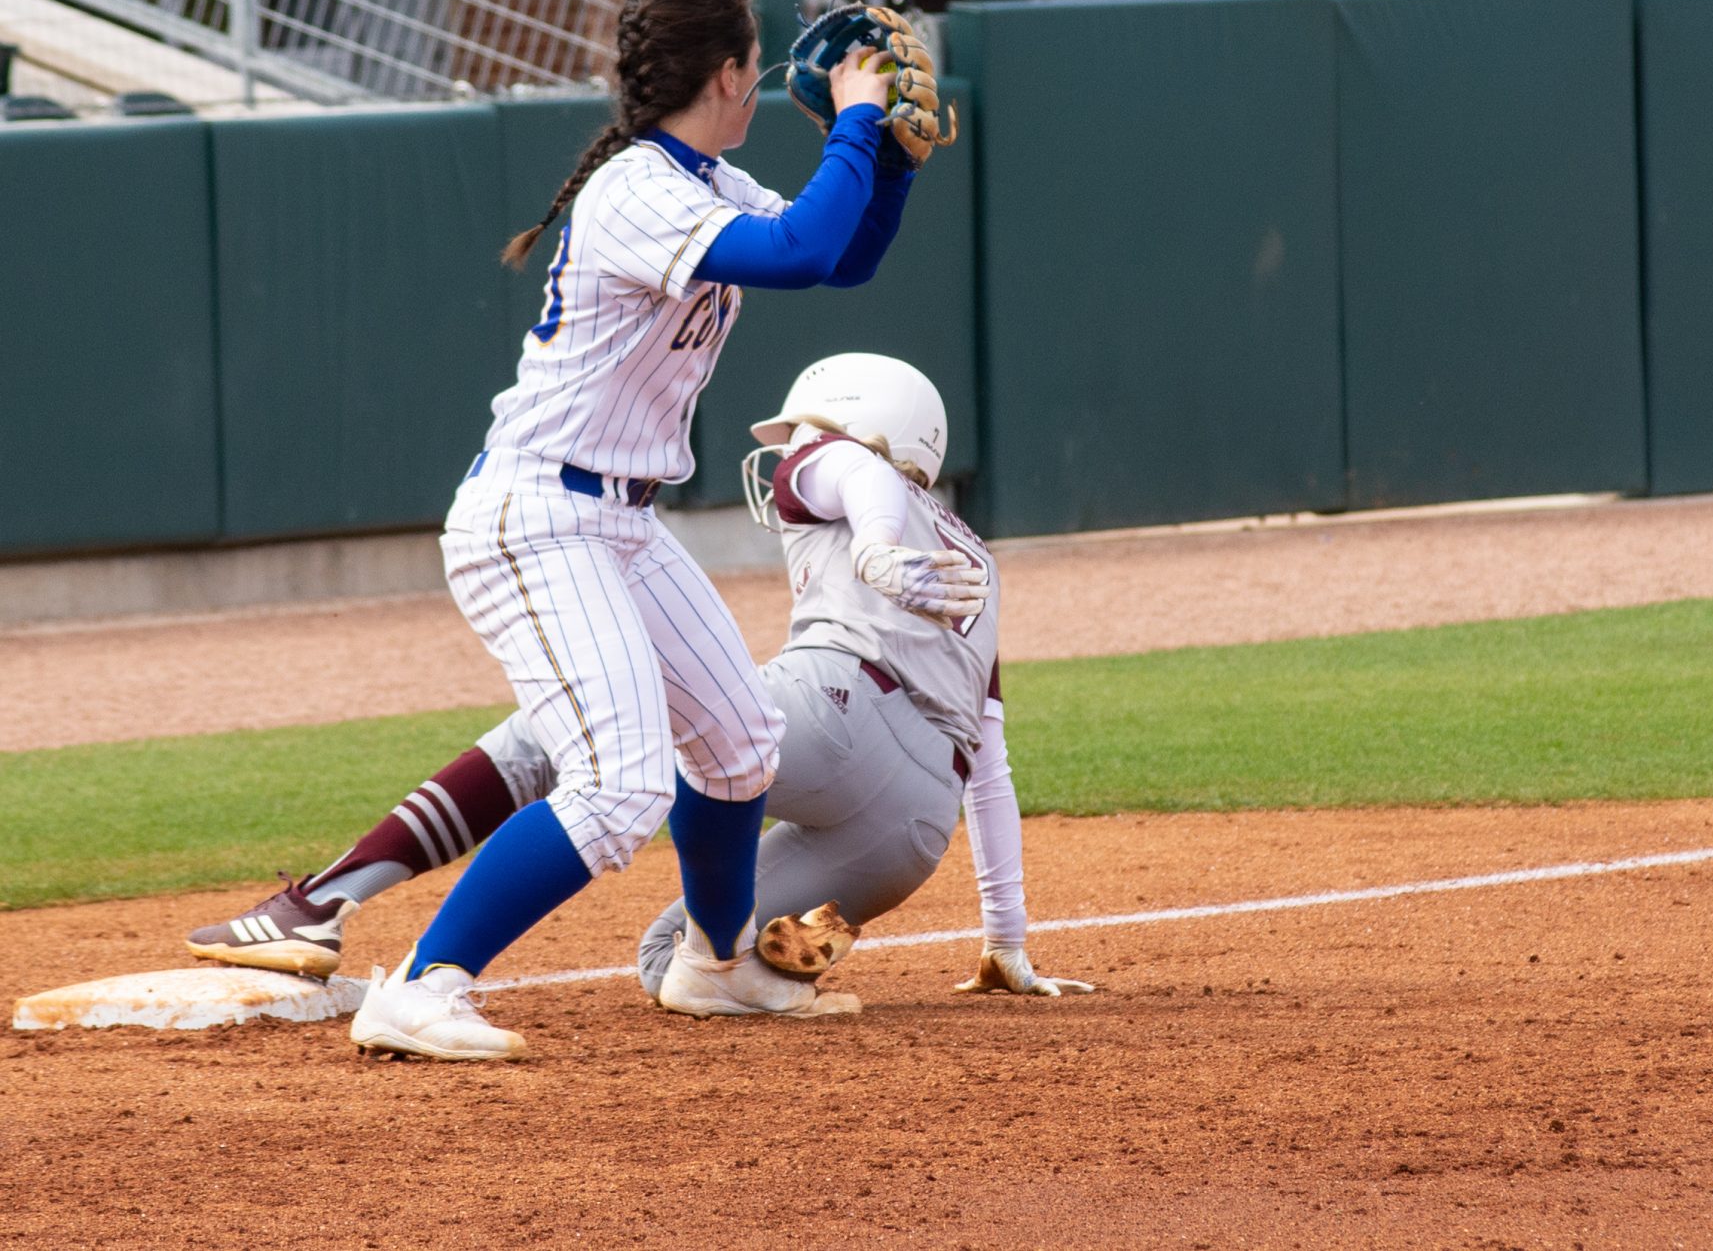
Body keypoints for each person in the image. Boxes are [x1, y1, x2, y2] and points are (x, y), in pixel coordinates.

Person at [344, 0, 929, 1061]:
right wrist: (852, 114)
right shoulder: (638, 188)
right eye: (753, 63)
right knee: (617, 779)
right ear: (727, 73)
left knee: (741, 746)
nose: (761, 80)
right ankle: (423, 983)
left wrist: (886, 160)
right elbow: (799, 250)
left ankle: (715, 963)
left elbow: (839, 256)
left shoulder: (703, 177)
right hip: (536, 514)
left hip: (616, 521)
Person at [189, 355, 1091, 1003]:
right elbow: (994, 766)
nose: (788, 454)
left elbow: (849, 467)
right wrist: (1005, 942)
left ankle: (321, 901)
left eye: (803, 435)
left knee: (560, 729)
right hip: (911, 828)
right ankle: (774, 961)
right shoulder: (977, 558)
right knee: (677, 963)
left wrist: (881, 549)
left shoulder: (846, 471)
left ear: (865, 429)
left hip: (838, 711)